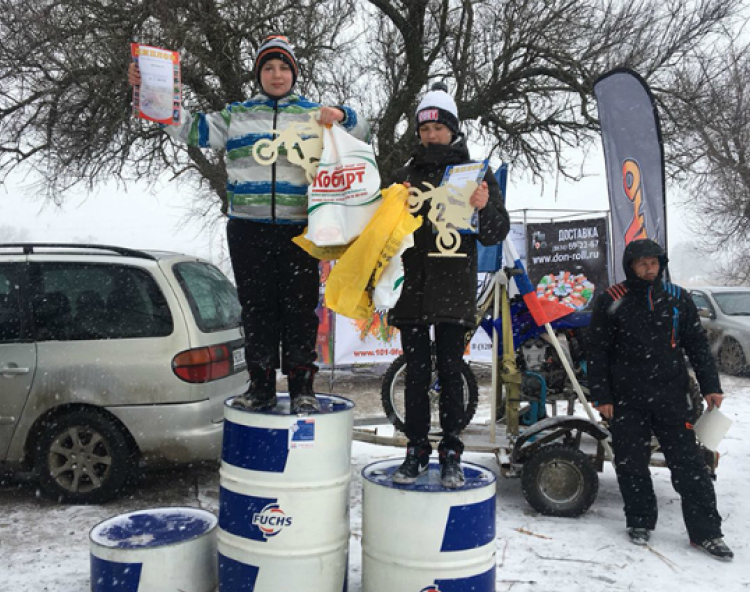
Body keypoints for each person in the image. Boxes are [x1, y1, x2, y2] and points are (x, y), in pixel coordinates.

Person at [128, 35, 368, 413]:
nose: (277, 75)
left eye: (284, 67)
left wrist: (342, 114)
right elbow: (191, 129)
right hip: (248, 227)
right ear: (259, 74)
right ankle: (260, 387)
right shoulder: (236, 116)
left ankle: (303, 387)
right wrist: (150, 92)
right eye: (269, 68)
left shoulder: (312, 114)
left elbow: (360, 135)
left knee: (300, 309)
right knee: (257, 309)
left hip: (300, 230)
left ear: (294, 72)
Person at [387, 83, 509, 489]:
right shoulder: (404, 176)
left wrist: (483, 206)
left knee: (452, 371)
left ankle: (452, 451)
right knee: (417, 375)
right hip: (411, 288)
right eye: (424, 129)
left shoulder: (475, 173)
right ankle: (417, 448)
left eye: (438, 127)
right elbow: (383, 228)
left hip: (454, 288)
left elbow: (496, 233)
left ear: (453, 129)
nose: (430, 135)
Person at [587, 238, 733, 561]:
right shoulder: (612, 300)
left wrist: (711, 386)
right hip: (627, 400)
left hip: (671, 397)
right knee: (631, 463)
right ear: (630, 266)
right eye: (642, 263)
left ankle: (707, 533)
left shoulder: (678, 299)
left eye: (654, 262)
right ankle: (639, 521)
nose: (649, 268)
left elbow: (697, 346)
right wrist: (602, 396)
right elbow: (596, 353)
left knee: (690, 466)